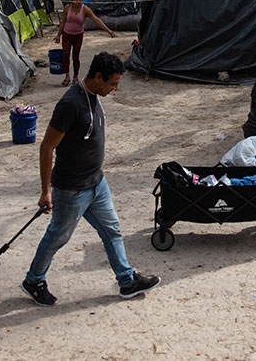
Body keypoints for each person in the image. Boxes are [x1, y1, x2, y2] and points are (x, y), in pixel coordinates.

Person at [21, 52, 160, 306]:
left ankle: (127, 280)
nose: (116, 88)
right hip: (71, 189)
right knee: (57, 237)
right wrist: (45, 191)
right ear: (98, 77)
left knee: (112, 231)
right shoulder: (70, 104)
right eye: (113, 83)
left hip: (97, 184)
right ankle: (33, 280)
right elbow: (46, 148)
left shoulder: (94, 95)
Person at [54, 0, 116, 87]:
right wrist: (58, 35)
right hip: (67, 35)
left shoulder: (85, 9)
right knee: (65, 54)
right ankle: (67, 76)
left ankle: (75, 76)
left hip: (78, 35)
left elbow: (96, 20)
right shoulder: (67, 8)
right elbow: (62, 22)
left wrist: (108, 31)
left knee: (76, 56)